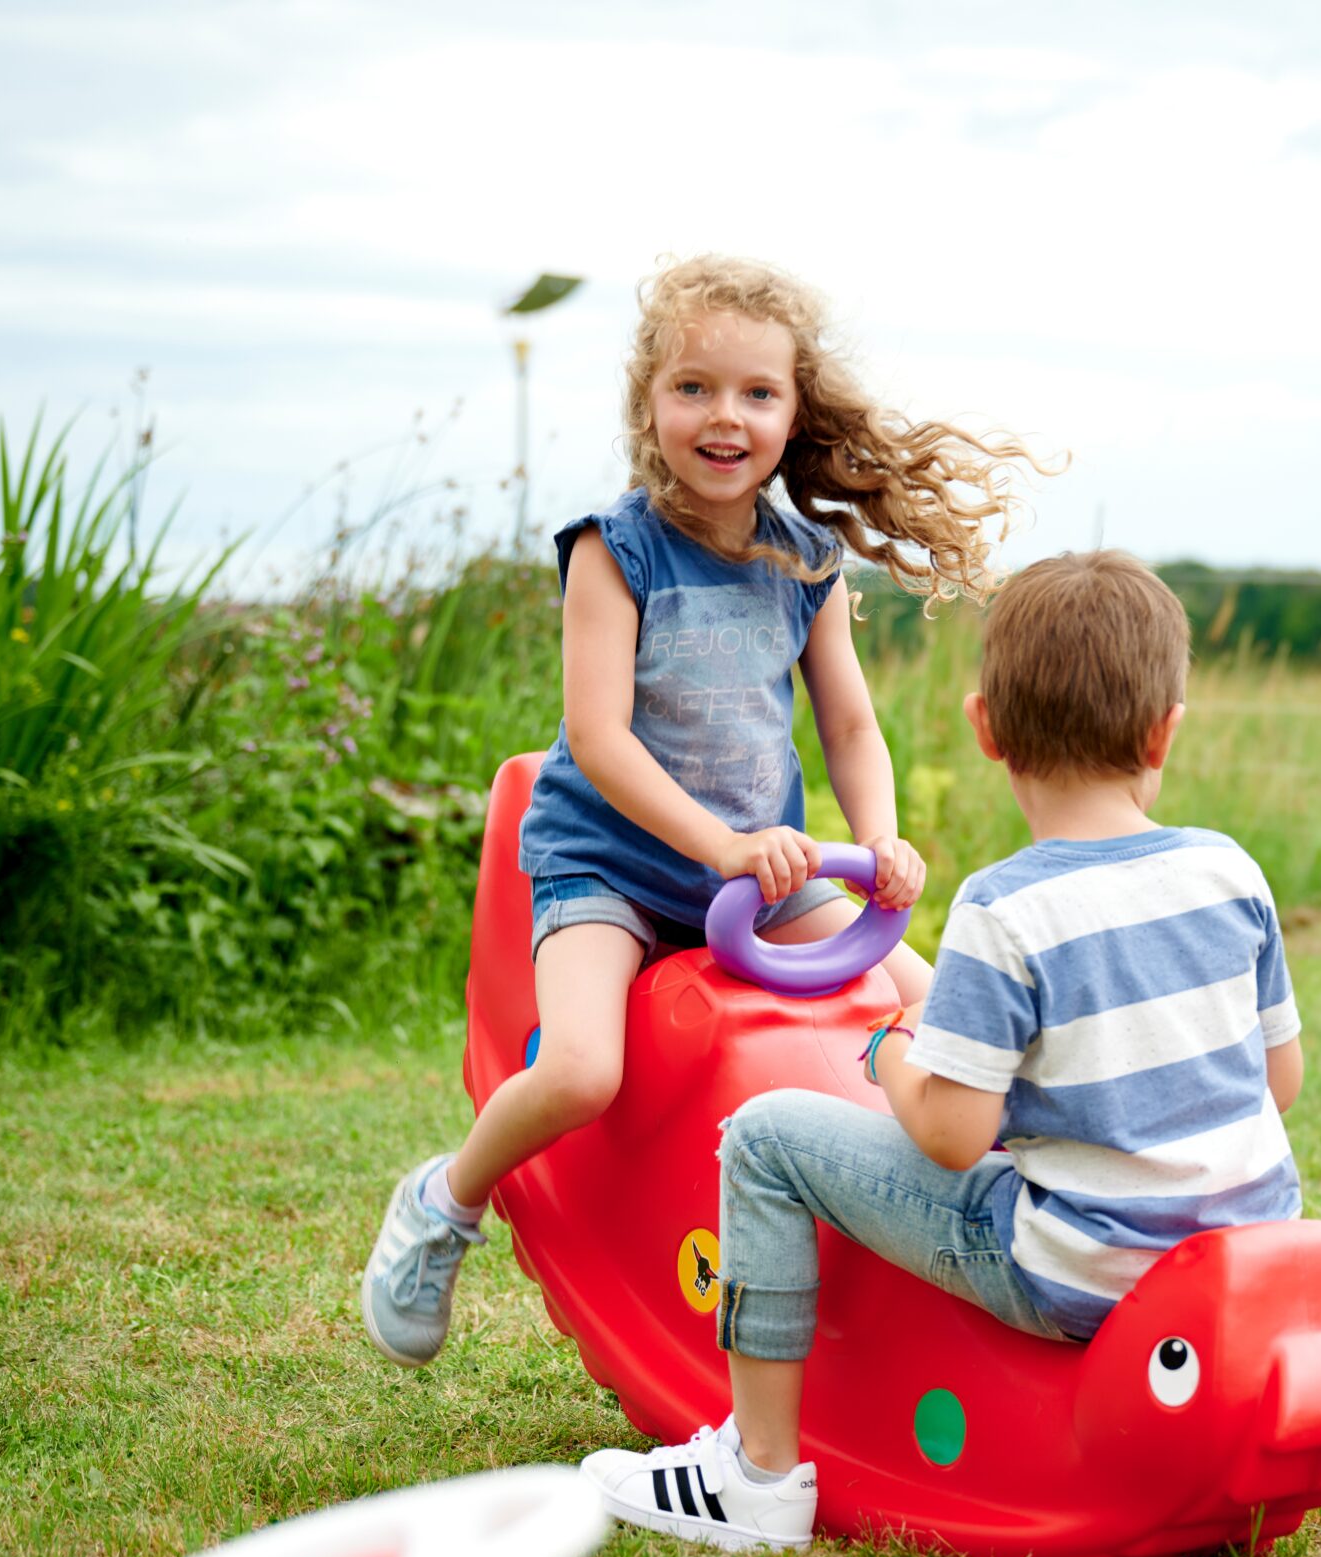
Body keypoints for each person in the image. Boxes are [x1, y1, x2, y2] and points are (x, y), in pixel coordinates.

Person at [363, 256, 1049, 1367]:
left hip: (758, 881)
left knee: (930, 992)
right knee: (585, 1069)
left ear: (792, 412)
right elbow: (598, 739)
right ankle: (445, 1203)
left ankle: (1023, 1176)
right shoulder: (612, 550)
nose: (722, 416)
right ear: (650, 404)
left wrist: (876, 840)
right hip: (614, 867)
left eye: (755, 393)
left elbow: (850, 728)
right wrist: (725, 843)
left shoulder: (804, 560)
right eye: (693, 388)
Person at [578, 549, 1306, 1550]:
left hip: (1084, 1272)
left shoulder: (1004, 909)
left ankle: (756, 1474)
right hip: (1239, 1254)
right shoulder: (1231, 872)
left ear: (985, 730)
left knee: (763, 1139)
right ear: (1164, 731)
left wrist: (893, 1056)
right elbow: (1280, 1081)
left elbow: (953, 1139)